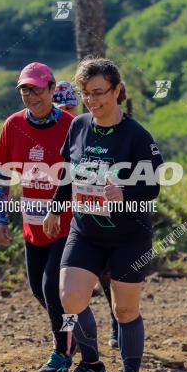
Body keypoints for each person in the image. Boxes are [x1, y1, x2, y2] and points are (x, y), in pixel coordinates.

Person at [43, 57, 163, 372]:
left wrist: (126, 191)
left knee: (125, 311)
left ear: (117, 91)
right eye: (85, 94)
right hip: (87, 230)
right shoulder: (79, 126)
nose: (92, 101)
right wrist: (56, 206)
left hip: (129, 235)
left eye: (99, 93)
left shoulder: (137, 136)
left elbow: (153, 185)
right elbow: (68, 173)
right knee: (69, 295)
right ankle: (92, 365)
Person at [0, 63, 78, 372]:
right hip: (33, 224)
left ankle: (62, 353)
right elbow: (0, 176)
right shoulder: (12, 126)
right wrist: (0, 219)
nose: (31, 95)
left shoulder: (73, 126)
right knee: (38, 291)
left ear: (53, 89)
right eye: (25, 90)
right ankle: (75, 332)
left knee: (51, 288)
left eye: (37, 89)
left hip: (67, 224)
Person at [55, 80, 119, 348]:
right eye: (61, 108)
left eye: (70, 106)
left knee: (105, 272)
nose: (66, 111)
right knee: (62, 284)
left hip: (92, 212)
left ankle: (117, 321)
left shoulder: (88, 127)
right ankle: (70, 342)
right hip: (63, 211)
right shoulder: (59, 128)